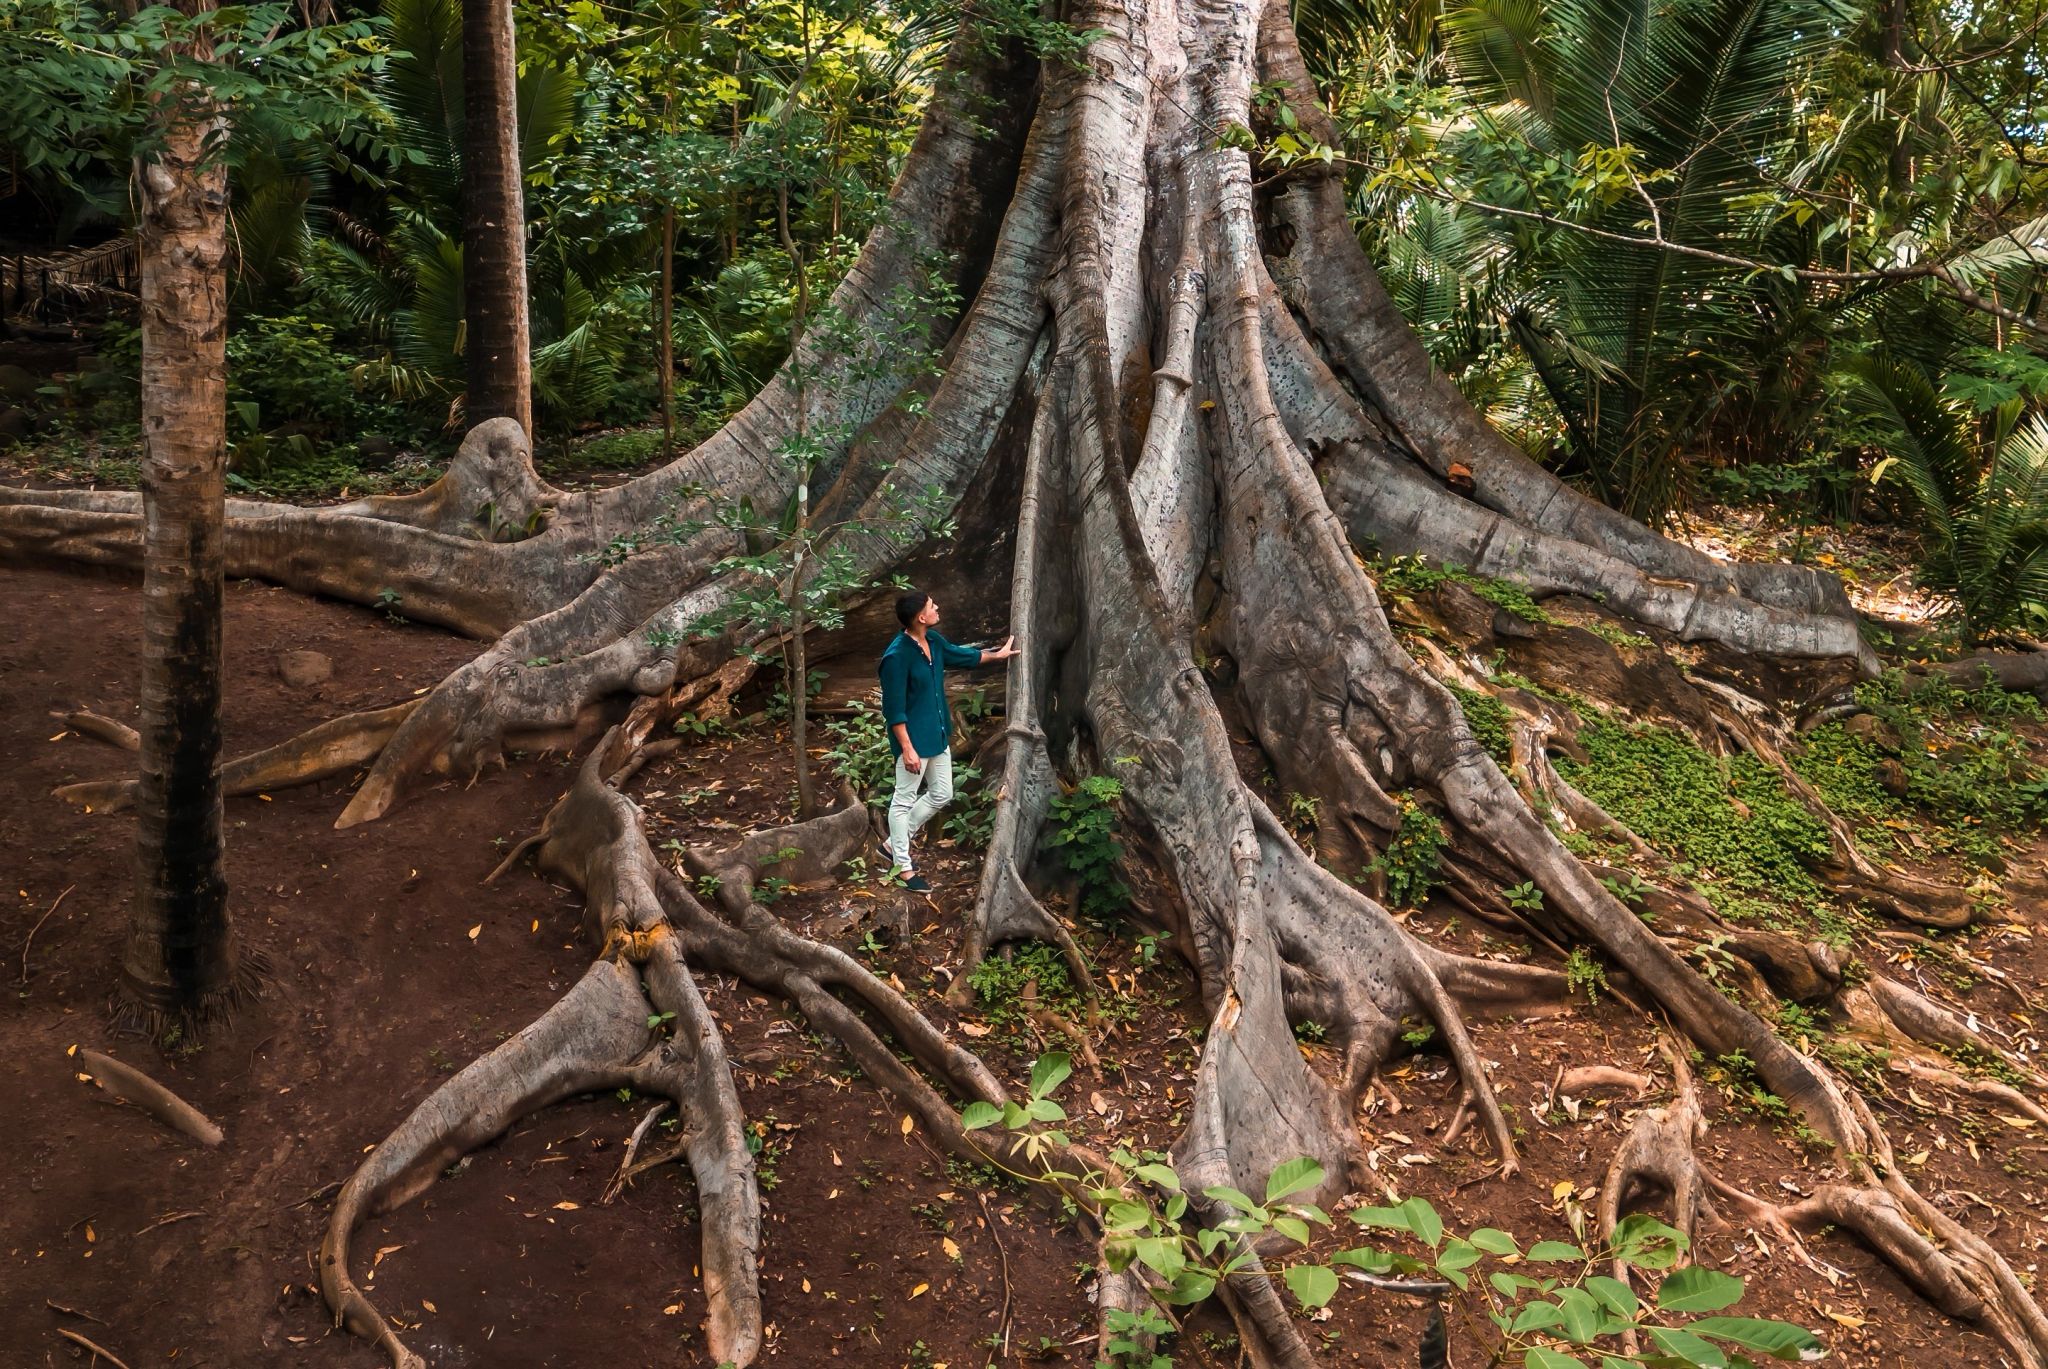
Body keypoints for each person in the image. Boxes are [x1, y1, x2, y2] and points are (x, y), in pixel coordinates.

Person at [878, 590, 1018, 891]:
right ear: (920, 616)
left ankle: (892, 844)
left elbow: (963, 656)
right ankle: (902, 866)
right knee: (902, 800)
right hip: (913, 741)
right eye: (932, 605)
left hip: (938, 735)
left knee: (942, 793)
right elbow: (893, 709)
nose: (937, 607)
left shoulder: (933, 641)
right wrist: (907, 748)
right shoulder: (896, 657)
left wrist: (998, 655)